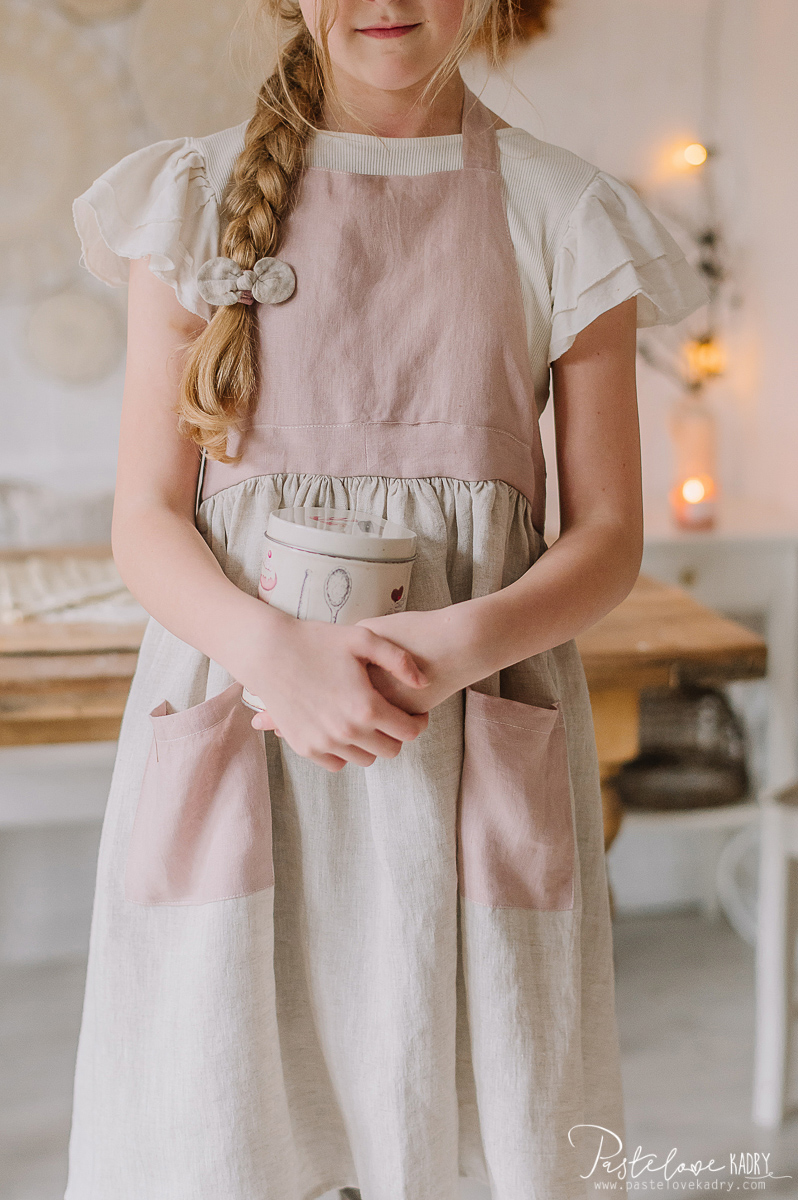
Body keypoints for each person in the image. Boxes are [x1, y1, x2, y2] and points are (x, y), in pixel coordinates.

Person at [65, 0, 708, 1194]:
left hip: (465, 731)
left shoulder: (564, 209)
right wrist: (276, 653)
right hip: (245, 730)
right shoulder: (195, 197)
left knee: (474, 1116)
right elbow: (147, 522)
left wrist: (456, 643)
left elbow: (609, 534)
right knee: (226, 1118)